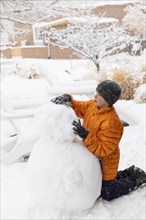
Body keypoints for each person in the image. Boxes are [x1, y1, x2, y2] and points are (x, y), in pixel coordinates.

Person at [51, 79, 146, 201]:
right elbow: (79, 107)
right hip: (92, 155)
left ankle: (136, 179)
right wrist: (68, 100)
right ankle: (129, 172)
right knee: (96, 181)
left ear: (108, 100)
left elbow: (103, 149)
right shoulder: (93, 106)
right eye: (96, 92)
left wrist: (86, 135)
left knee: (106, 192)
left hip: (106, 161)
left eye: (100, 95)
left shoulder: (112, 122)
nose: (95, 96)